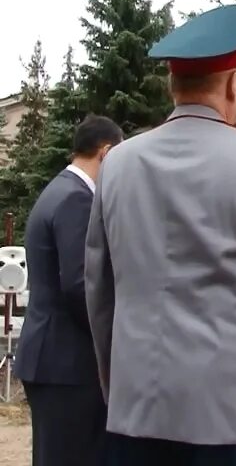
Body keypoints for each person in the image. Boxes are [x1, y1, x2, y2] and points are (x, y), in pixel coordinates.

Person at [84, 4, 236, 466]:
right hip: (222, 404)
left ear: (173, 85)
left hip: (136, 400)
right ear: (233, 82)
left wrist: (117, 378)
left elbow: (99, 288)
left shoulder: (118, 164)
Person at [14, 115, 123, 466]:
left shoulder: (57, 190)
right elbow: (79, 287)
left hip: (51, 357)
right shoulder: (77, 200)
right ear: (106, 154)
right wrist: (118, 332)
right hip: (68, 363)